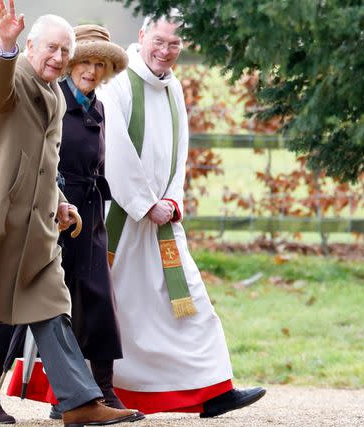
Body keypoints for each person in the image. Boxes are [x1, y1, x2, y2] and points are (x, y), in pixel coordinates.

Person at [0, 2, 142, 426]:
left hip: (37, 229)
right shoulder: (15, 80)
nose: (59, 58)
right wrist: (3, 47)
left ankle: (78, 403)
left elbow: (46, 162)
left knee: (51, 305)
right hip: (4, 226)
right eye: (52, 49)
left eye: (65, 51)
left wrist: (60, 204)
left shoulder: (53, 95)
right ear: (30, 46)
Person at [96, 12, 267, 418]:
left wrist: (172, 200)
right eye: (159, 41)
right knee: (109, 308)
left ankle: (214, 389)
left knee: (188, 300)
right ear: (142, 36)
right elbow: (113, 150)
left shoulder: (174, 89)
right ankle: (80, 393)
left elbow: (179, 154)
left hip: (162, 222)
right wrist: (144, 204)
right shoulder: (117, 84)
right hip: (119, 221)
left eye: (174, 45)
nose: (166, 51)